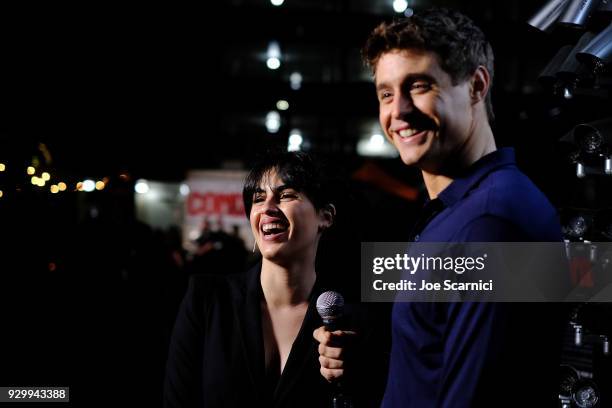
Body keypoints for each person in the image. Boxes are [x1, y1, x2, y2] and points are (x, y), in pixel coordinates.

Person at [315, 7, 566, 407]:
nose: (397, 111)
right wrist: (387, 357)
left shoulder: (489, 225)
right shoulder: (465, 209)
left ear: (476, 86)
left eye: (418, 85)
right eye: (385, 93)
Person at [164, 151, 388, 407]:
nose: (268, 208)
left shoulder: (352, 323)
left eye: (286, 195)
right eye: (258, 199)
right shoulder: (207, 300)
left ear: (325, 217)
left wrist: (355, 381)